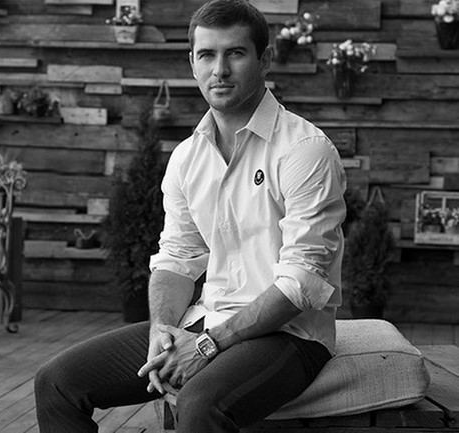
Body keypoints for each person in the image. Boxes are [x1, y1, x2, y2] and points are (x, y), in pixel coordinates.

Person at [34, 0, 346, 431]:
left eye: (235, 53)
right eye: (207, 55)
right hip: (205, 319)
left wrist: (205, 346)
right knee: (57, 382)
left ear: (265, 60)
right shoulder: (187, 157)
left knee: (200, 403)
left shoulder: (305, 151)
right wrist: (162, 329)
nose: (220, 70)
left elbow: (302, 281)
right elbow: (177, 258)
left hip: (291, 336)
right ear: (192, 63)